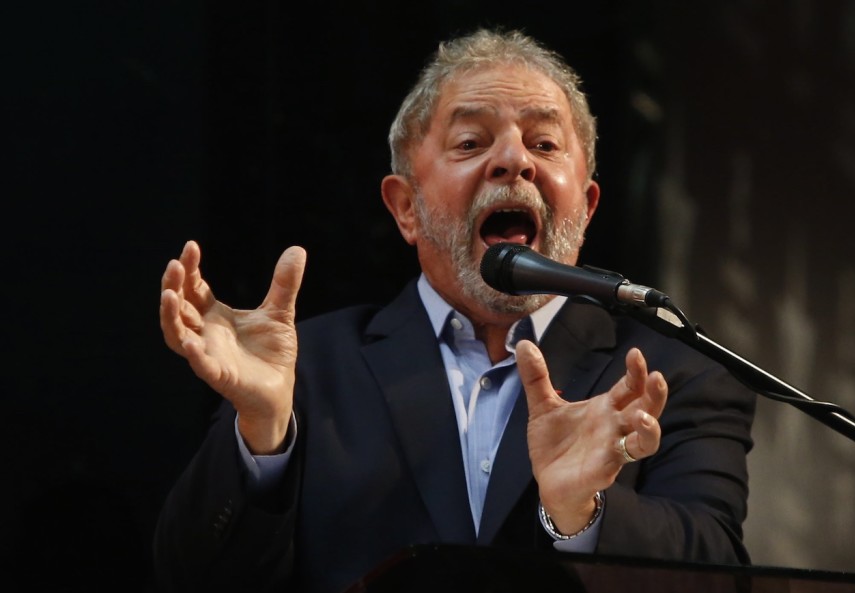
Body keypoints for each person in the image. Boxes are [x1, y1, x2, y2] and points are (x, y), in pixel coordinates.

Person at [154, 27, 756, 593]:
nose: (514, 161)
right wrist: (261, 439)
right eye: (471, 142)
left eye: (545, 143)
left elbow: (719, 578)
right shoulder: (305, 373)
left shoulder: (672, 376)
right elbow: (191, 579)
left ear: (588, 206)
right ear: (406, 209)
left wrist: (583, 514)